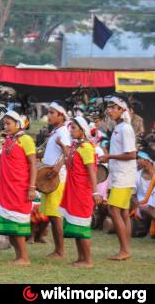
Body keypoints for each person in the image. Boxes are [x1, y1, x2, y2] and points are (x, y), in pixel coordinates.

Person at [0, 111, 37, 266]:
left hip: (20, 187)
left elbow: (33, 166)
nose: (5, 126)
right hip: (6, 187)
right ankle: (18, 256)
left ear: (18, 124)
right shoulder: (9, 140)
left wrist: (32, 187)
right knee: (9, 223)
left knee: (18, 223)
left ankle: (24, 257)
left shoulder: (26, 140)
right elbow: (1, 165)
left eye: (8, 123)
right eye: (4, 123)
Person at [58, 116, 101, 268]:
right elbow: (69, 159)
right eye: (70, 127)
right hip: (73, 190)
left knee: (82, 225)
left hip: (83, 191)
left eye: (74, 128)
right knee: (75, 224)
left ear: (83, 131)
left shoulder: (87, 148)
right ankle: (81, 258)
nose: (71, 130)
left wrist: (96, 193)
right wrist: (62, 146)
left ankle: (88, 260)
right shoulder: (77, 147)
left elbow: (92, 172)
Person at [99, 96, 137, 261]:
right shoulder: (119, 128)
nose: (110, 110)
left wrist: (109, 156)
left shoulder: (125, 129)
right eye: (109, 107)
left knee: (113, 210)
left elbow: (132, 154)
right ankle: (125, 249)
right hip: (121, 176)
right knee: (122, 212)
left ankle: (124, 250)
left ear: (123, 110)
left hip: (123, 176)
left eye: (114, 107)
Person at [38, 101, 72, 259]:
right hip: (51, 178)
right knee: (52, 215)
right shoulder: (56, 131)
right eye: (49, 112)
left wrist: (57, 168)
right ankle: (58, 249)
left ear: (61, 115)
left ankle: (60, 251)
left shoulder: (63, 131)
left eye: (52, 113)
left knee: (55, 215)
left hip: (57, 179)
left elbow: (68, 153)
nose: (49, 116)